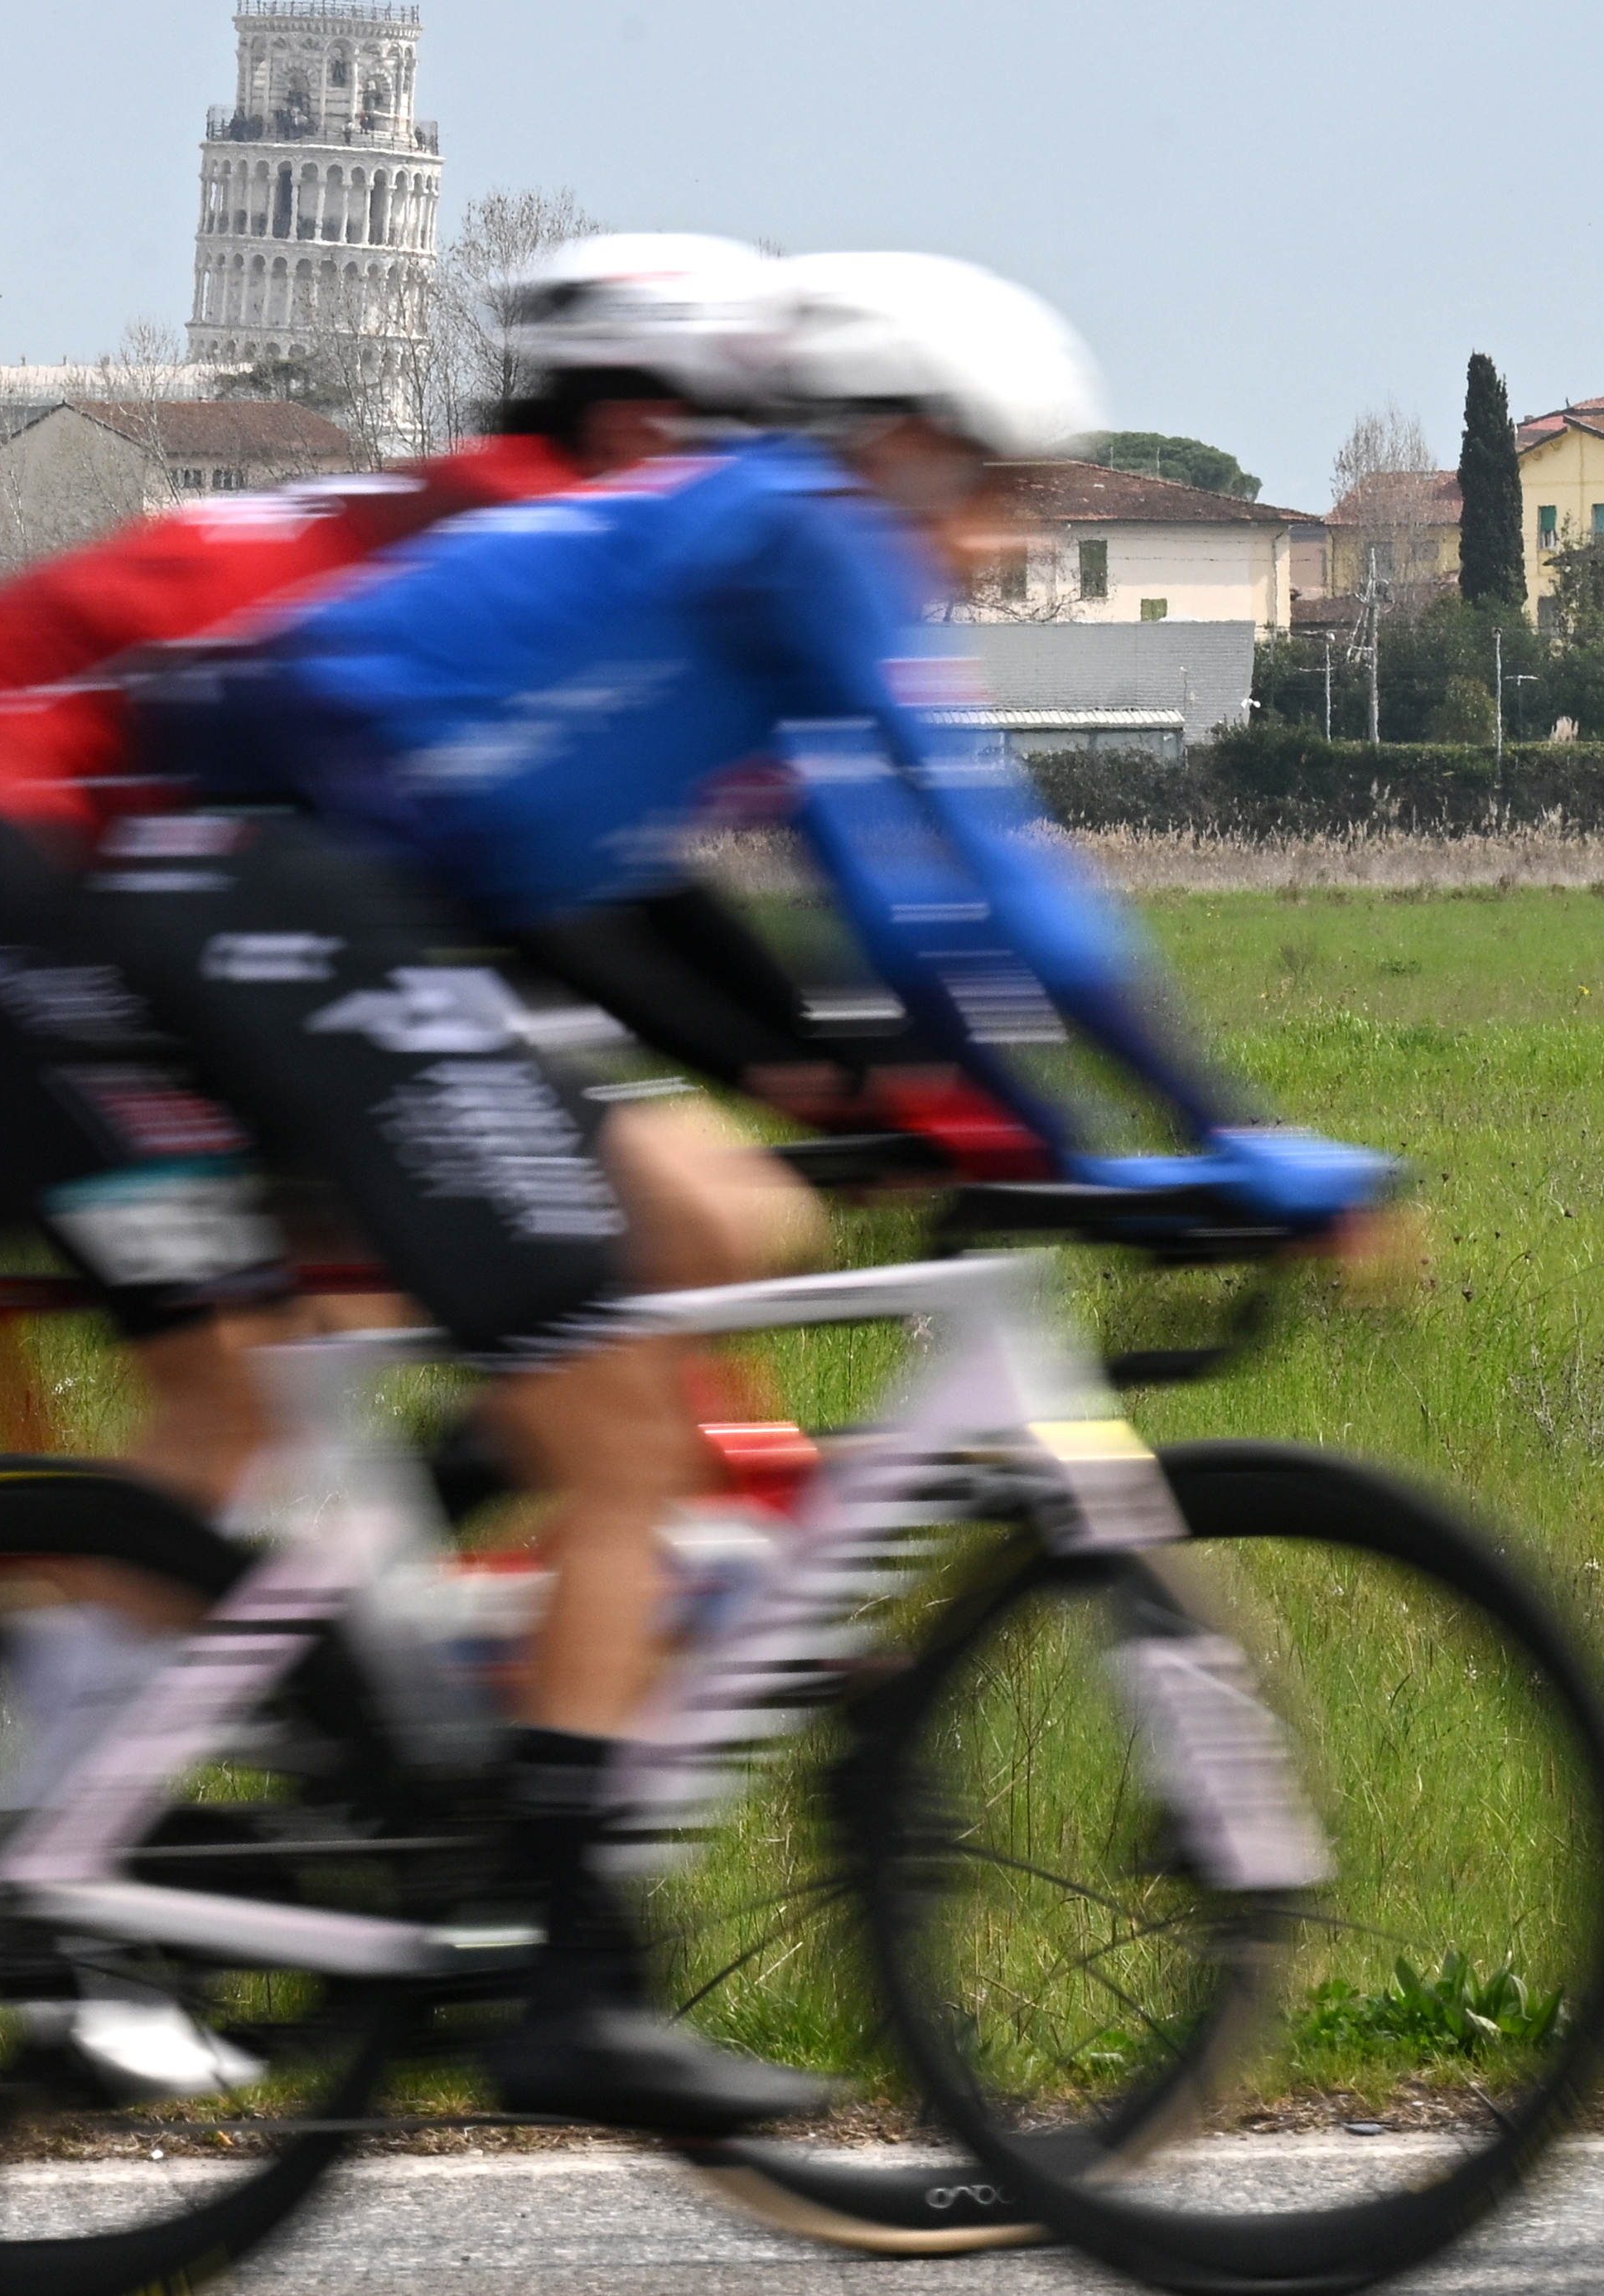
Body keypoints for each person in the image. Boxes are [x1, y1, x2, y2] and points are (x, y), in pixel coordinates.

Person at [98, 248, 1393, 2132]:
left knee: (674, 1248)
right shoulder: (800, 536)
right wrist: (1209, 1122)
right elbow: (983, 867)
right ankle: (556, 1979)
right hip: (290, 882)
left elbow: (883, 908)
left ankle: (410, 1715)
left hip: (412, 890)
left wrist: (1002, 1119)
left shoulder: (766, 549)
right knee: (621, 1427)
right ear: (895, 446)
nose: (1013, 546)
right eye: (999, 492)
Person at [0, 239, 833, 1529]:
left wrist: (822, 1058)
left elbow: (603, 877)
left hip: (114, 884)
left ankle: (383, 1601)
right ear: (641, 429)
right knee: (232, 1403)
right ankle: (101, 1697)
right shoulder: (530, 551)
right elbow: (555, 901)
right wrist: (809, 1064)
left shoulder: (546, 537)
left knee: (671, 1220)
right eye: (767, 461)